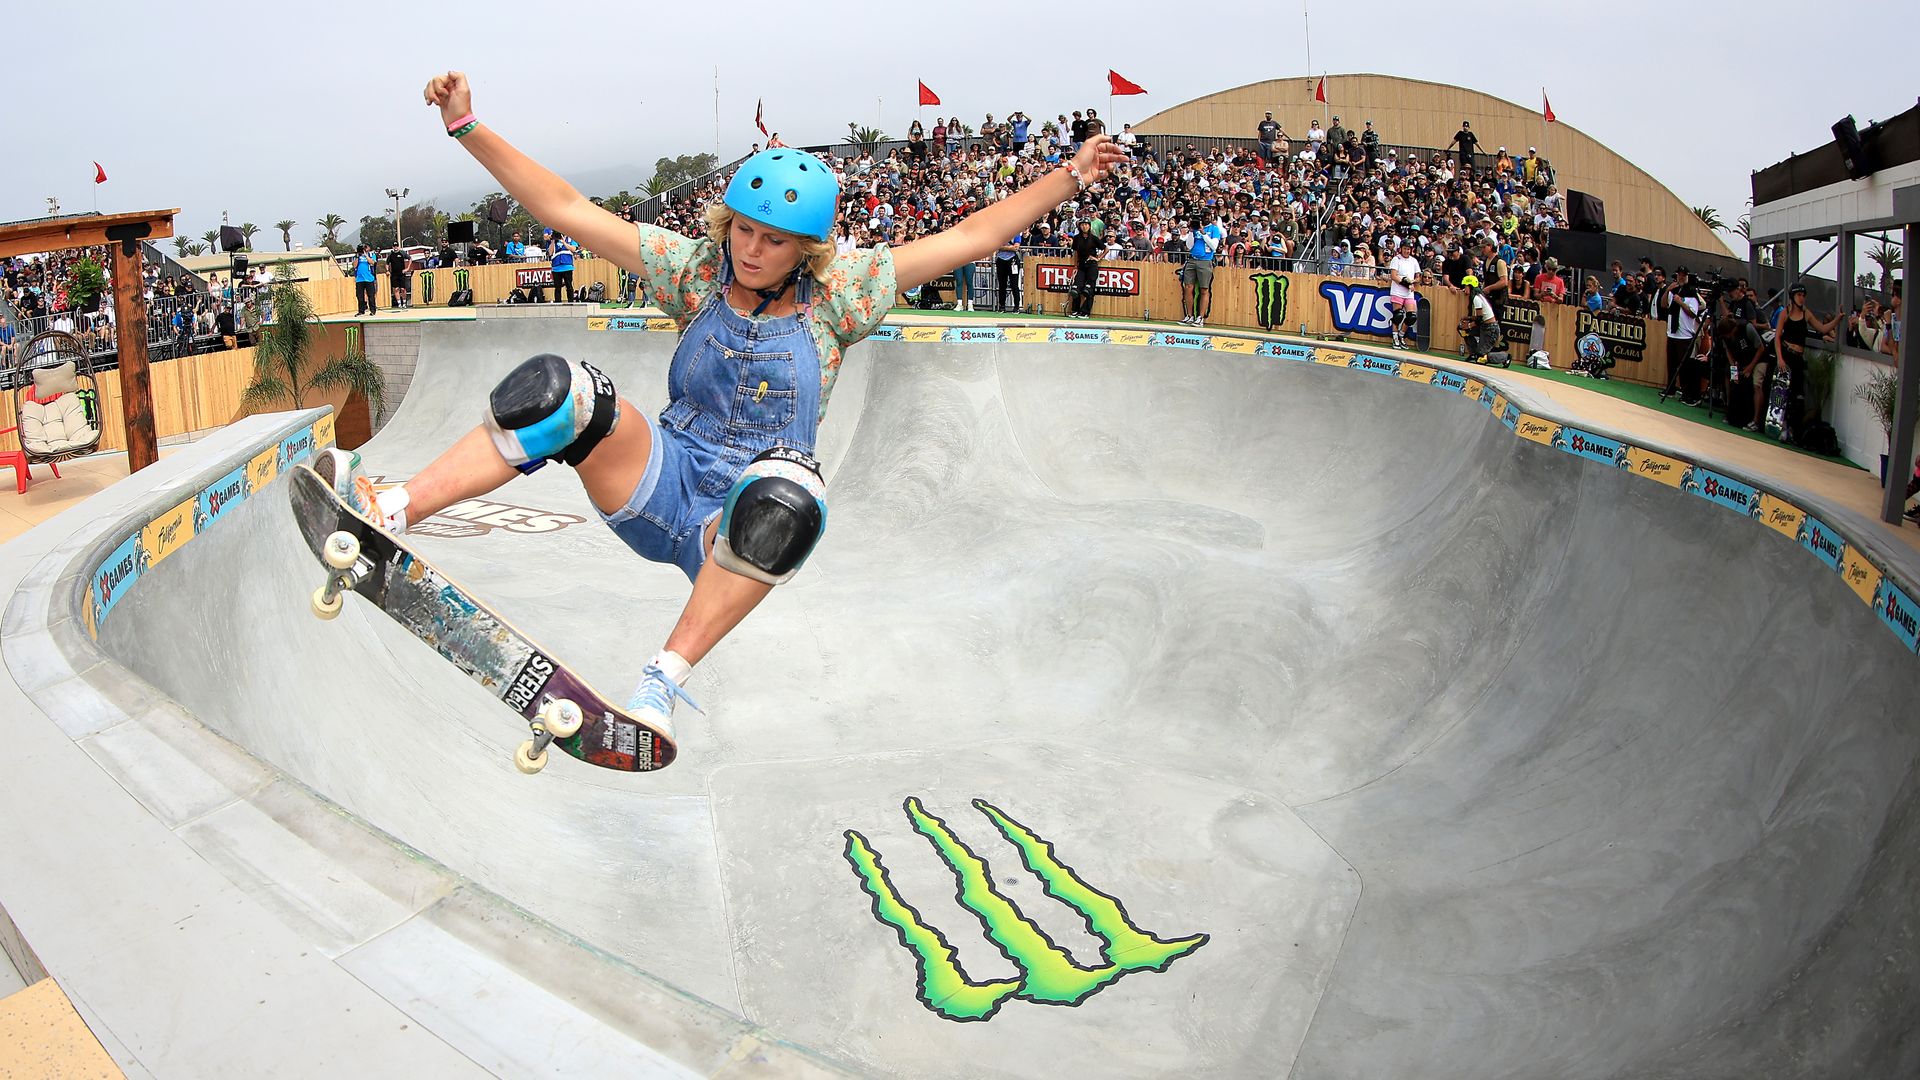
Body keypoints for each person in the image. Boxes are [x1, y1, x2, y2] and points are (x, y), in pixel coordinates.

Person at [315, 69, 1129, 742]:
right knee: (560, 389)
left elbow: (975, 238)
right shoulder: (693, 268)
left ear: (806, 250)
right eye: (741, 230)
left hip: (733, 528)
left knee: (792, 490)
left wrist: (1069, 176)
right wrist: (467, 127)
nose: (749, 250)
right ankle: (391, 507)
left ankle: (659, 686)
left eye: (771, 241)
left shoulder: (846, 296)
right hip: (657, 478)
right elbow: (568, 209)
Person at [1179, 213, 1223, 326]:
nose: (1206, 217)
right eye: (1204, 215)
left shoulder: (1214, 229)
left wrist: (1203, 233)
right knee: (1188, 287)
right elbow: (1189, 246)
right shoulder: (1194, 229)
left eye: (1208, 215)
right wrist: (1191, 231)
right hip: (1192, 259)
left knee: (1204, 289)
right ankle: (1189, 315)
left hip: (1205, 260)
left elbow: (1213, 246)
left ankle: (1201, 317)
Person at [1386, 240, 1422, 349]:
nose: (1407, 251)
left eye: (1409, 249)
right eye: (1405, 248)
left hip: (1409, 293)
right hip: (1398, 291)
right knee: (1398, 315)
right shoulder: (1396, 259)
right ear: (1401, 248)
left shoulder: (1413, 261)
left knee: (1411, 316)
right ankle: (1395, 337)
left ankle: (1401, 335)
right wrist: (1406, 283)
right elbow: (1394, 276)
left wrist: (1414, 281)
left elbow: (1418, 276)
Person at [1458, 275, 1502, 363]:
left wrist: (1469, 325)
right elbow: (1480, 318)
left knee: (1481, 358)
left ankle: (1505, 357)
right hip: (1485, 327)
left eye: (1465, 286)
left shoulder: (1477, 299)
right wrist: (1467, 318)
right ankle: (1473, 353)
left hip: (1490, 329)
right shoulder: (1479, 297)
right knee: (1461, 328)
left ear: (1470, 286)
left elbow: (1479, 319)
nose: (1464, 289)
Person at [1069, 217, 1099, 319]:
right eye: (1082, 225)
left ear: (1089, 226)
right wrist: (1075, 265)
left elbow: (1105, 249)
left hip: (1092, 265)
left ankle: (1085, 312)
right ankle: (1075, 310)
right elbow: (1075, 252)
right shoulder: (1077, 238)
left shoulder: (1093, 238)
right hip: (1081, 265)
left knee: (1089, 289)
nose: (1084, 226)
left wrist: (1097, 258)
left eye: (1086, 224)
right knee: (1076, 288)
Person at [353, 245, 377, 316]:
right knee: (359, 296)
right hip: (359, 279)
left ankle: (372, 310)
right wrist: (358, 256)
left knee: (371, 295)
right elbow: (354, 265)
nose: (364, 249)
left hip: (369, 278)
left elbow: (372, 262)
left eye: (365, 248)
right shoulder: (357, 256)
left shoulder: (371, 254)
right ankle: (361, 310)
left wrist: (366, 255)